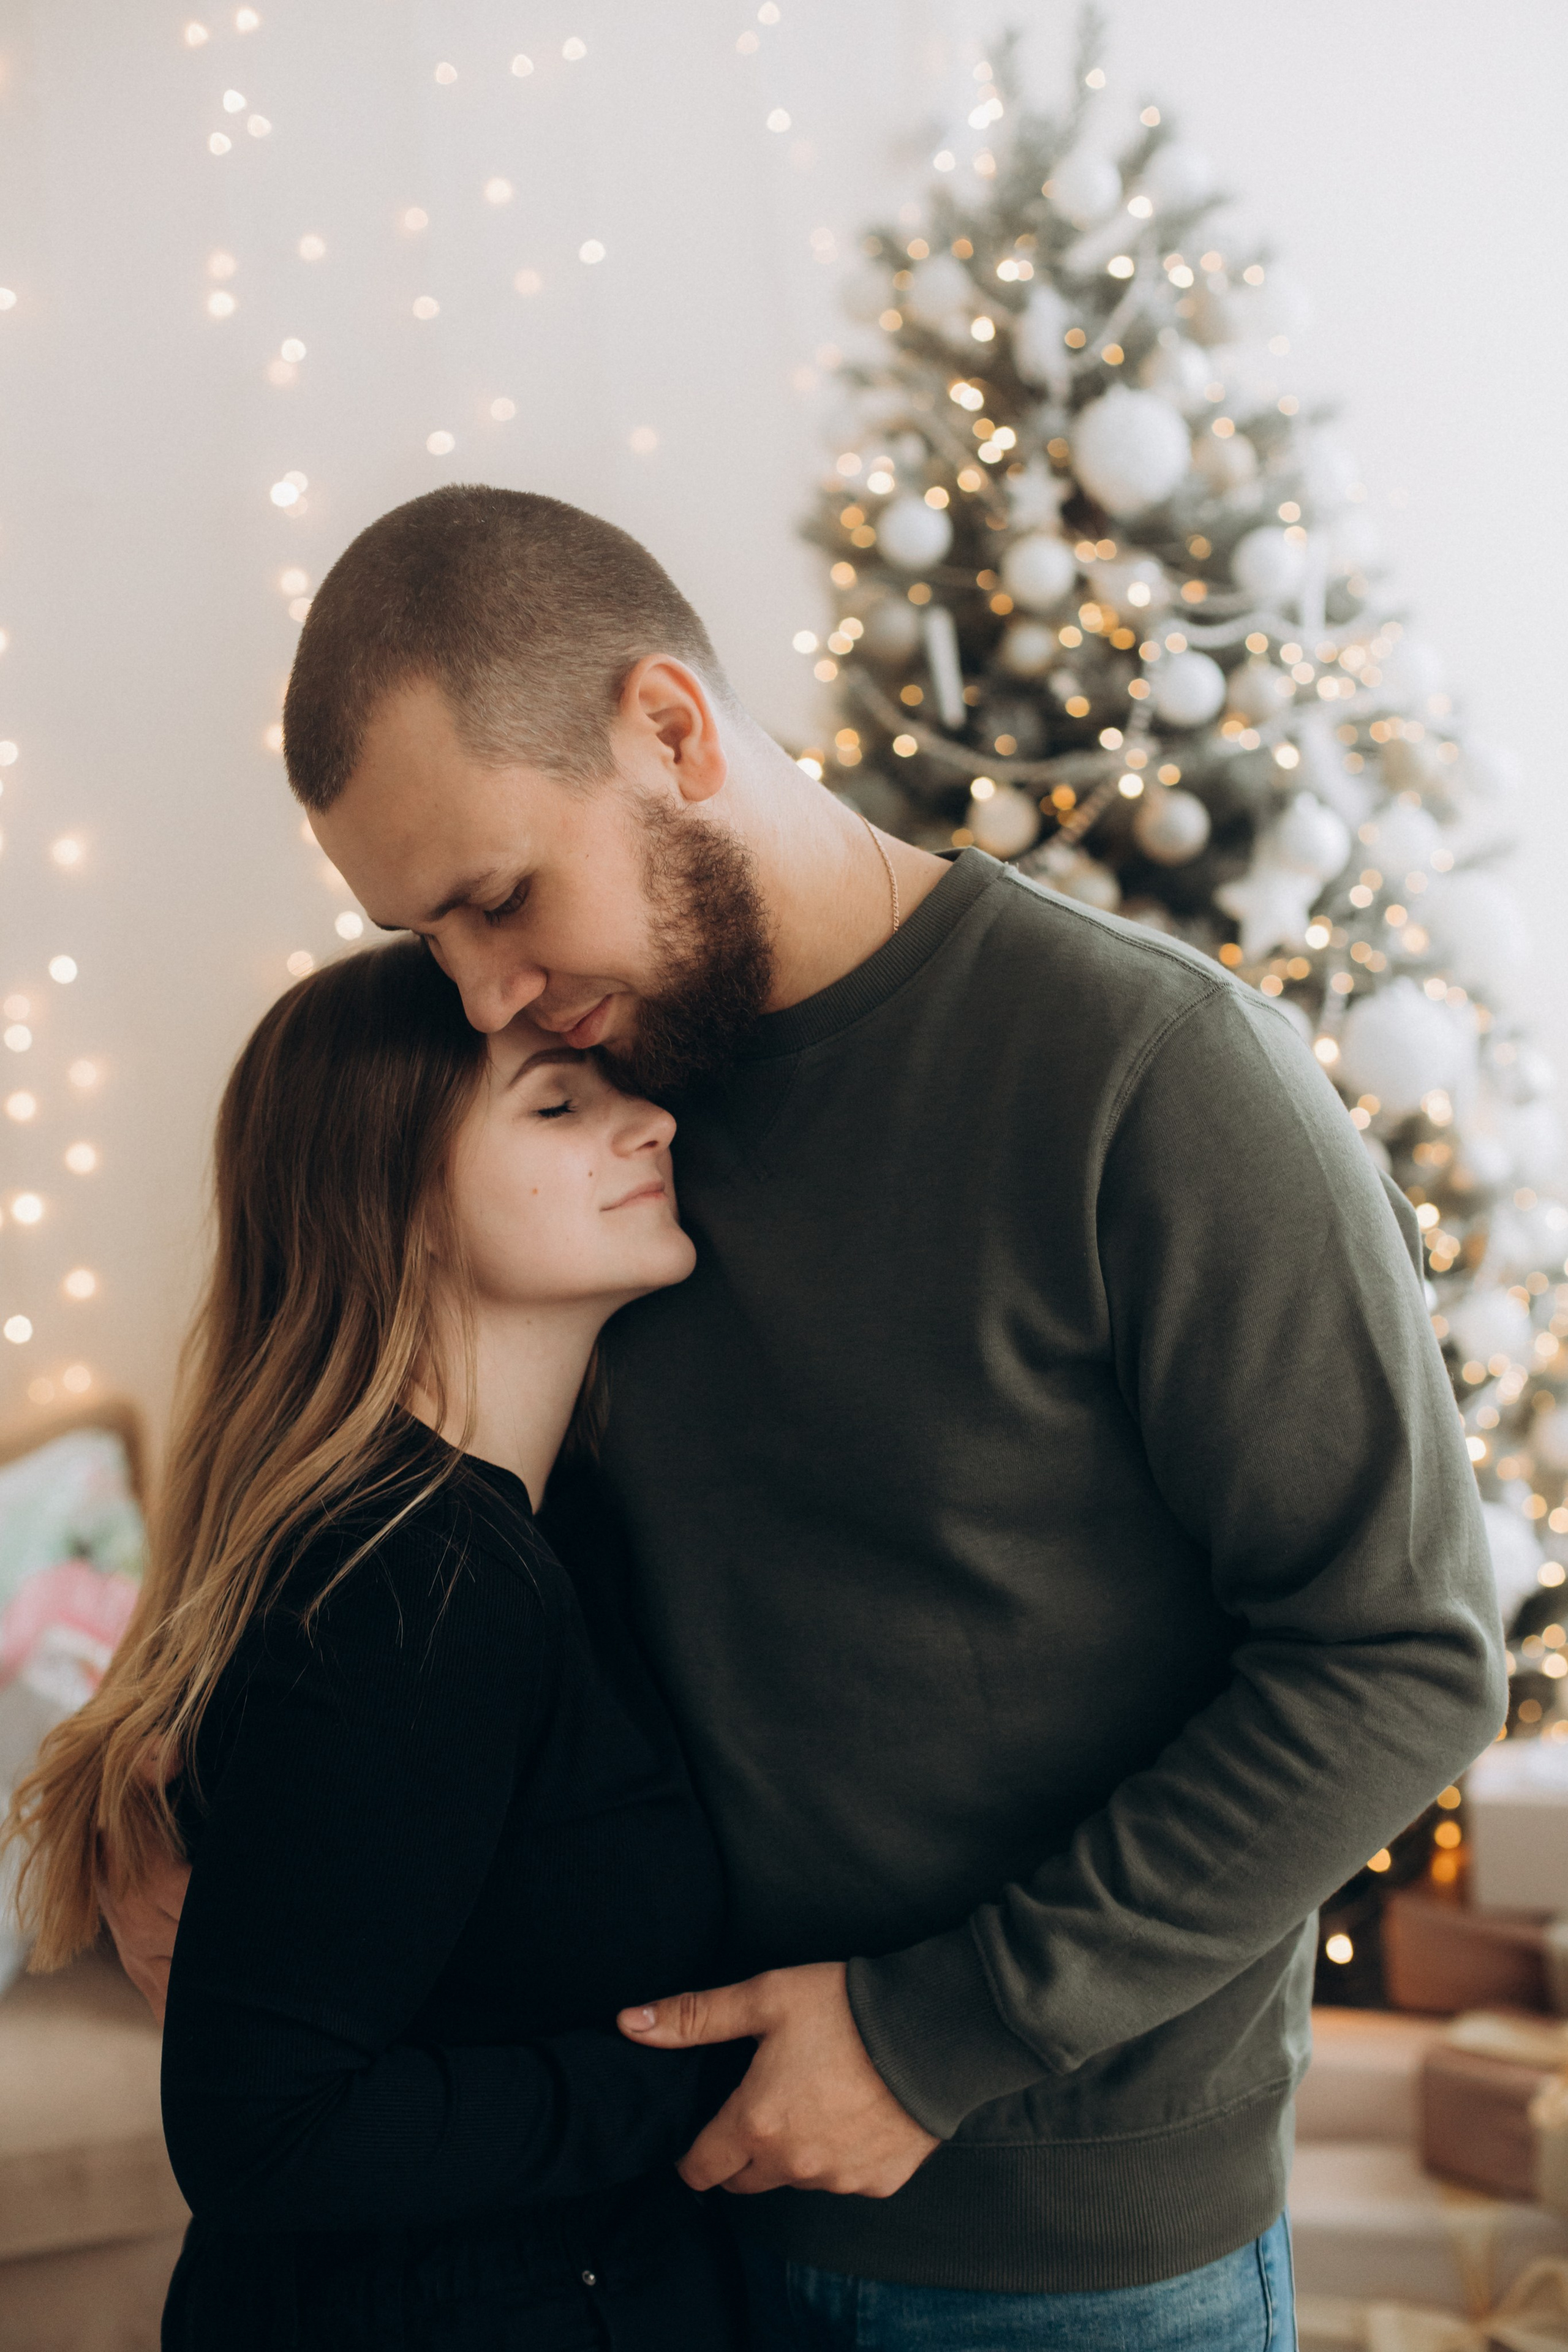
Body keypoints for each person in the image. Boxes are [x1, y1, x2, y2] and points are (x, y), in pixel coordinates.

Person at [104, 486, 1505, 2351]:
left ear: (671, 730)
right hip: (656, 2235)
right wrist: (159, 1798)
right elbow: (363, 1486)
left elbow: (1400, 1657)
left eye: (500, 897)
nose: (486, 991)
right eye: (427, 938)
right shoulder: (595, 1133)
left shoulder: (1148, 1081)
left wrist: (933, 2042)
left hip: (1059, 2256)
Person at [5, 940, 751, 2351]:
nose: (647, 1124)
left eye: (623, 1095)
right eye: (555, 1106)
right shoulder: (407, 1584)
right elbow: (264, 2132)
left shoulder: (549, 1532)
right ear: (394, 1199)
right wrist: (711, 2080)